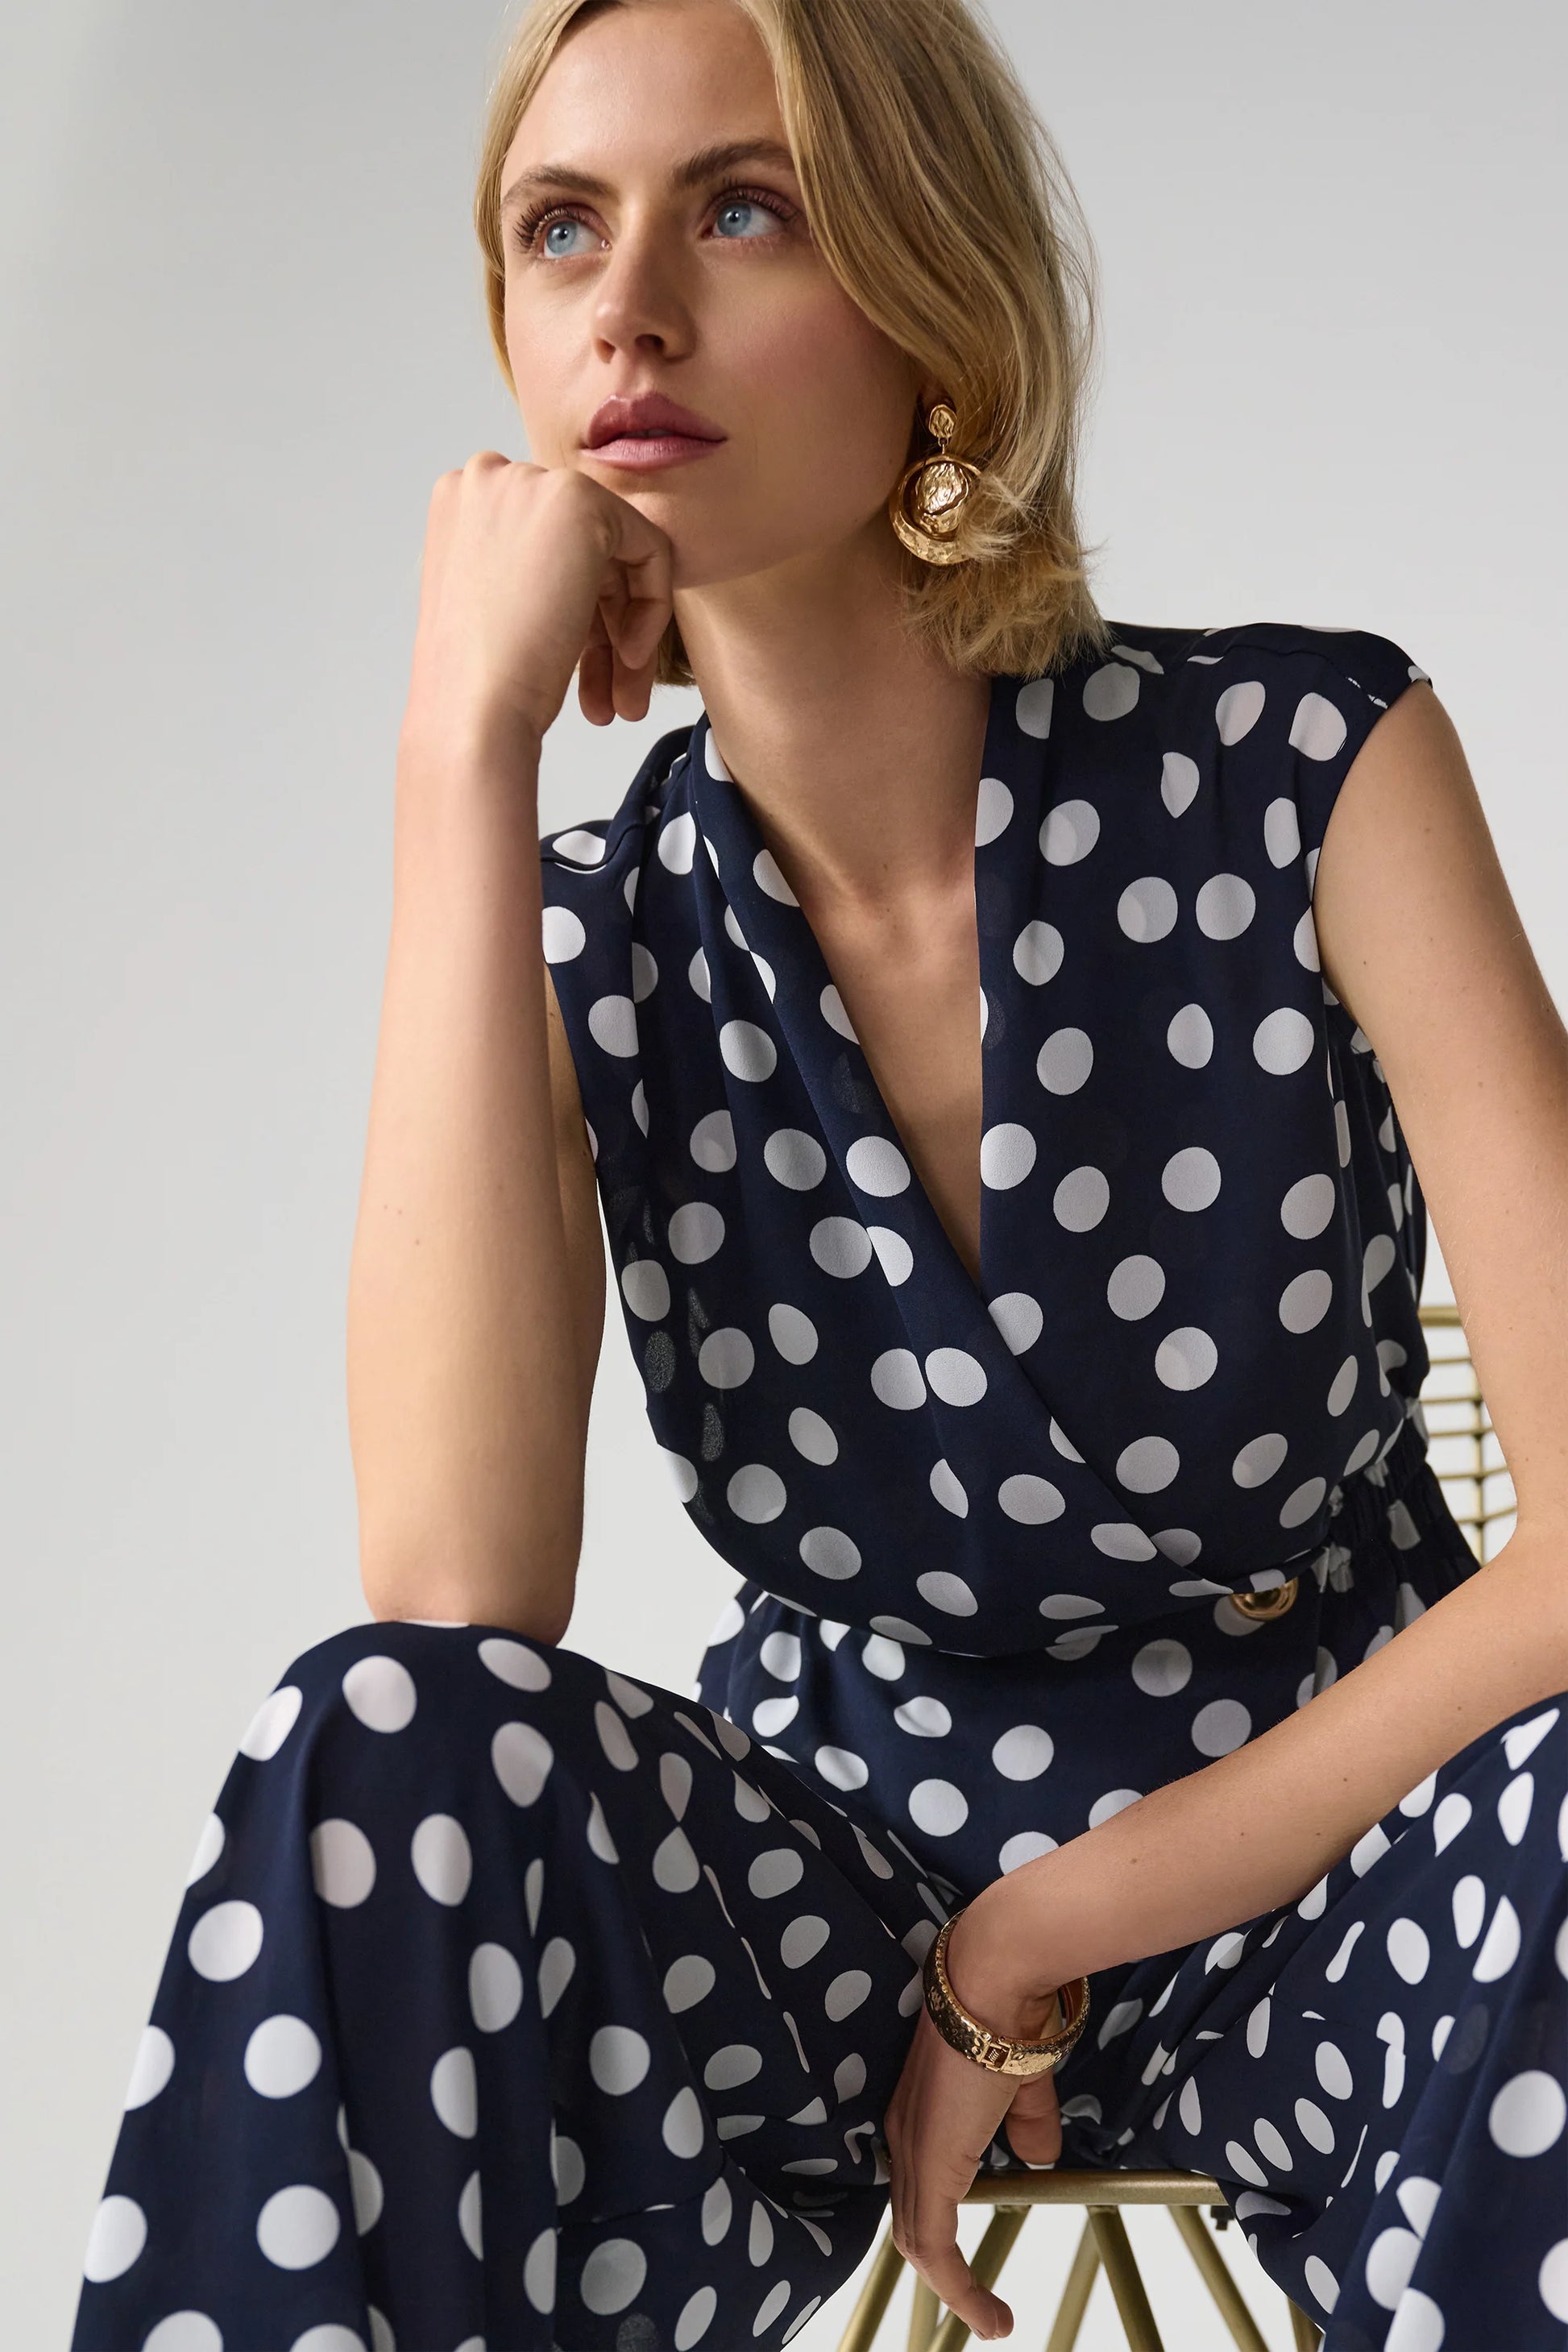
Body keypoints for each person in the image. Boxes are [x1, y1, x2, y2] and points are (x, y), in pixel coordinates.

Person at [70, 0, 1568, 2346]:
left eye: (742, 211)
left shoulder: (1307, 765)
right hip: (831, 1917)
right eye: (560, 231)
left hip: (1355, 1872)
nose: (629, 310)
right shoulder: (584, 928)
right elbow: (455, 1598)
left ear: (932, 303)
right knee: (376, 1740)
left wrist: (1049, 1925)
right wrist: (460, 757)